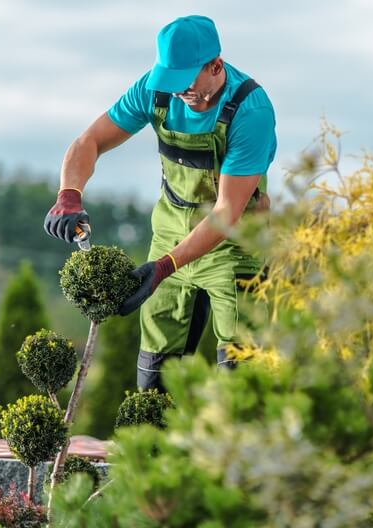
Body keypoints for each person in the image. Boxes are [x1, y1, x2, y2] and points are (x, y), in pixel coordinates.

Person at [43, 15, 276, 391]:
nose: (177, 89)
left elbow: (226, 213)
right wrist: (69, 194)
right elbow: (90, 140)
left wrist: (164, 267)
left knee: (242, 375)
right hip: (169, 230)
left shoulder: (251, 111)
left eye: (185, 78)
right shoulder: (155, 90)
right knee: (155, 373)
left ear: (216, 65)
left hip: (235, 243)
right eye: (170, 78)